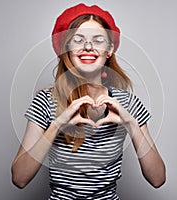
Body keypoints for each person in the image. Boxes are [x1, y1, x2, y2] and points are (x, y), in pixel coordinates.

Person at [11, 3, 166, 199]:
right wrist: (57, 125)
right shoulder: (45, 101)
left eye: (98, 40)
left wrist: (130, 123)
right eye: (78, 39)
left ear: (109, 49)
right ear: (67, 49)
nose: (88, 47)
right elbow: (19, 178)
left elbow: (158, 178)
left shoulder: (127, 103)